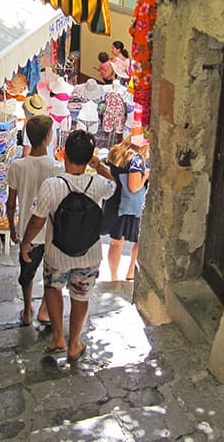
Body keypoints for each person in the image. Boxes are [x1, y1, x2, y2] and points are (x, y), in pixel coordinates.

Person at [20, 130, 116, 362]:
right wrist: (100, 166)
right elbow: (114, 185)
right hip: (89, 253)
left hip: (57, 253)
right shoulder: (99, 184)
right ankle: (74, 344)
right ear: (88, 158)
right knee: (81, 296)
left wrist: (26, 242)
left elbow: (37, 220)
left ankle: (58, 338)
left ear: (64, 155)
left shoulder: (52, 185)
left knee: (53, 289)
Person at [6, 115, 63, 326]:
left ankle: (27, 309)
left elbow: (11, 203)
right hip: (50, 232)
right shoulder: (57, 167)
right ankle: (44, 309)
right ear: (49, 137)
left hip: (26, 231)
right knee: (52, 275)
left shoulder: (17, 166)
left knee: (27, 274)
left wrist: (12, 227)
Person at [105, 135, 150, 281]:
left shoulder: (115, 152)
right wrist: (146, 176)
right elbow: (134, 186)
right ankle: (131, 272)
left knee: (116, 242)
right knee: (139, 240)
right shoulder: (136, 160)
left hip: (115, 202)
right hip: (132, 207)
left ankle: (113, 277)